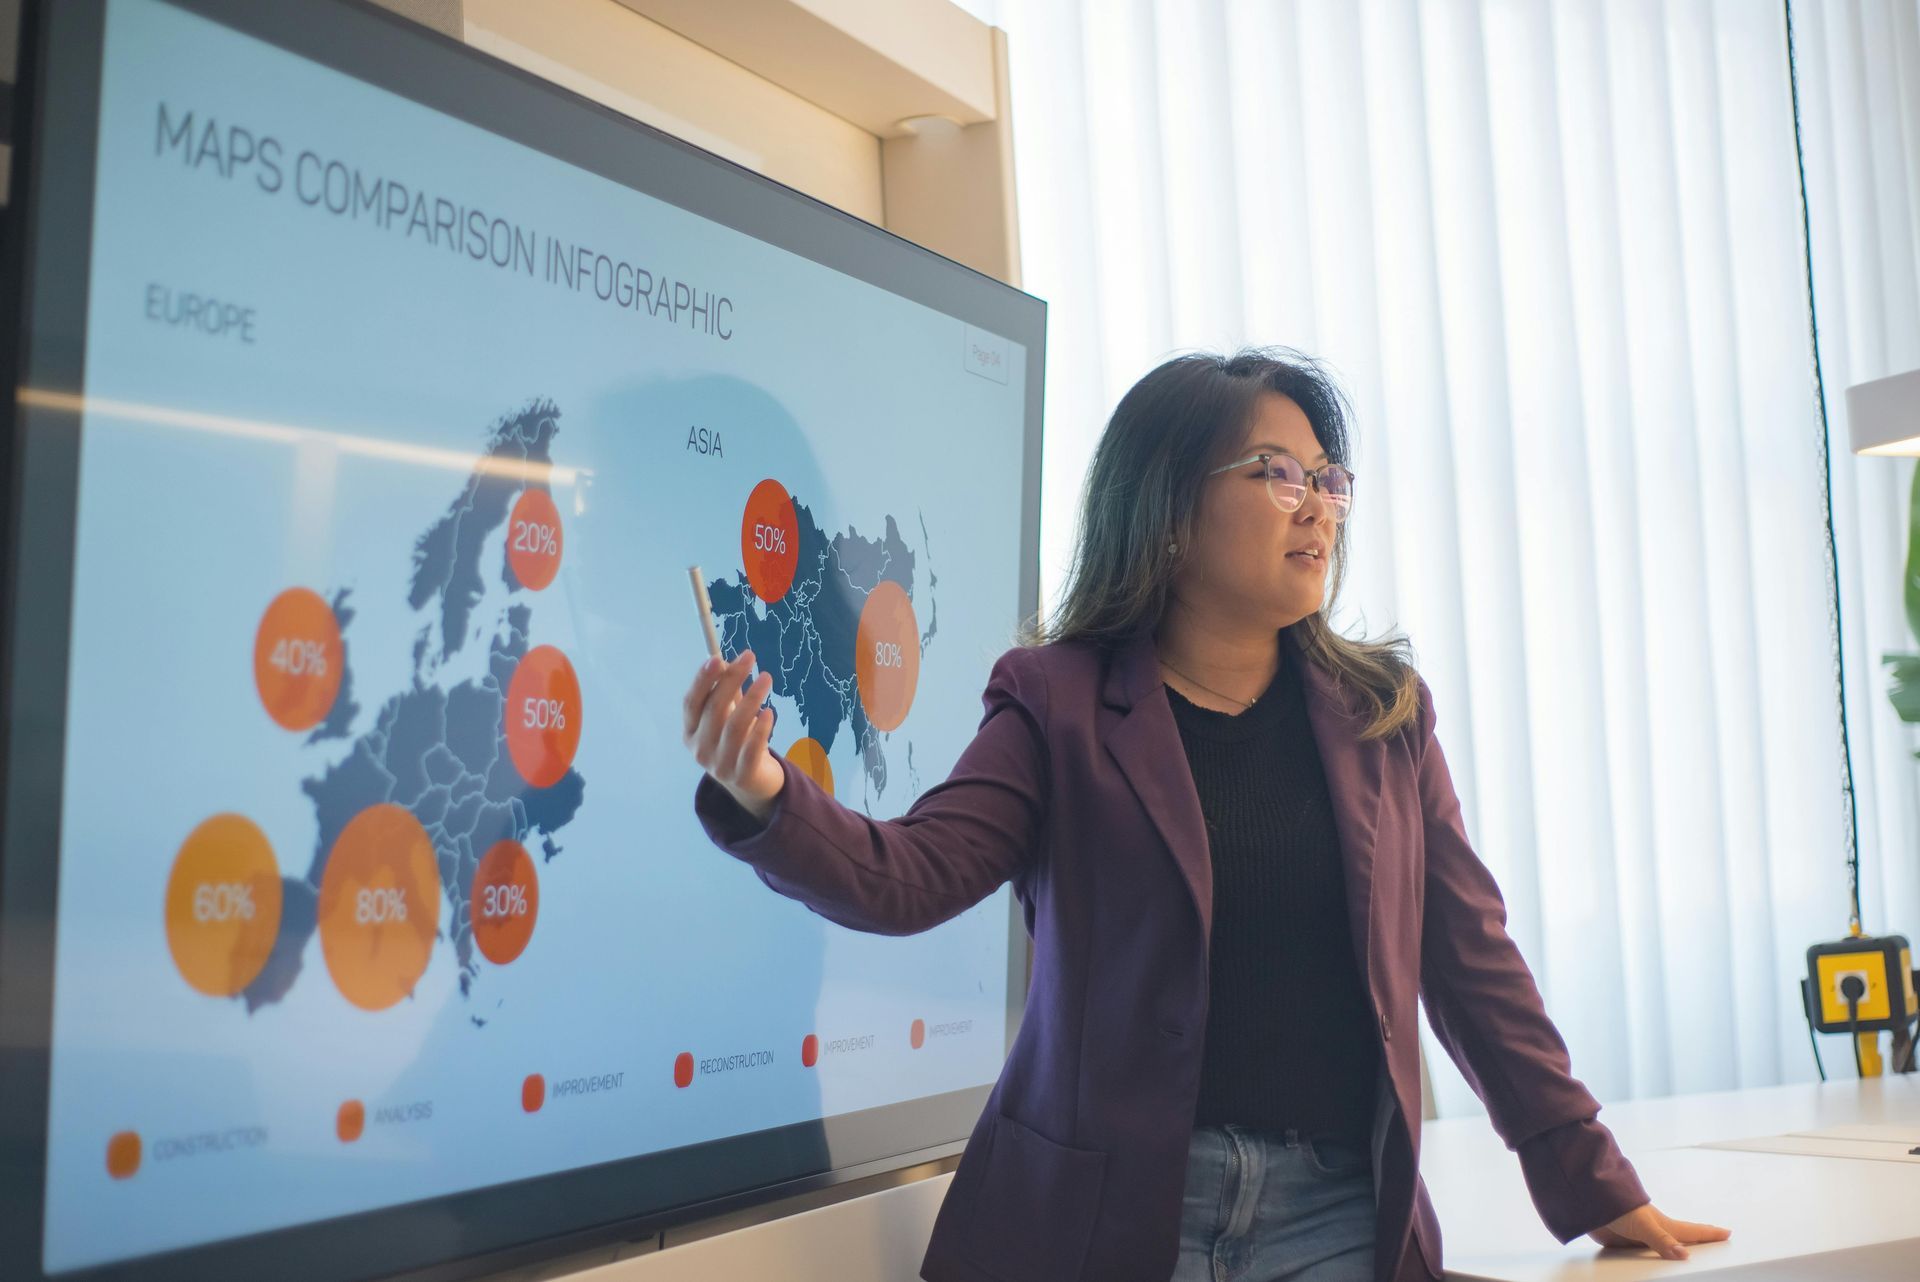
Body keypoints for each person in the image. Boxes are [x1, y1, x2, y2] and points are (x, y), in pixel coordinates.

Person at [682, 349, 1730, 1282]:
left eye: (1330, 477)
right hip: (1108, 1222)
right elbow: (911, 874)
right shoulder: (1058, 702)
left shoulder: (1383, 720)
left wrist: (1592, 1180)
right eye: (1279, 473)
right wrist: (766, 789)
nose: (1318, 504)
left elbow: (1472, 963)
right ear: (1172, 510)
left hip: (1335, 1217)